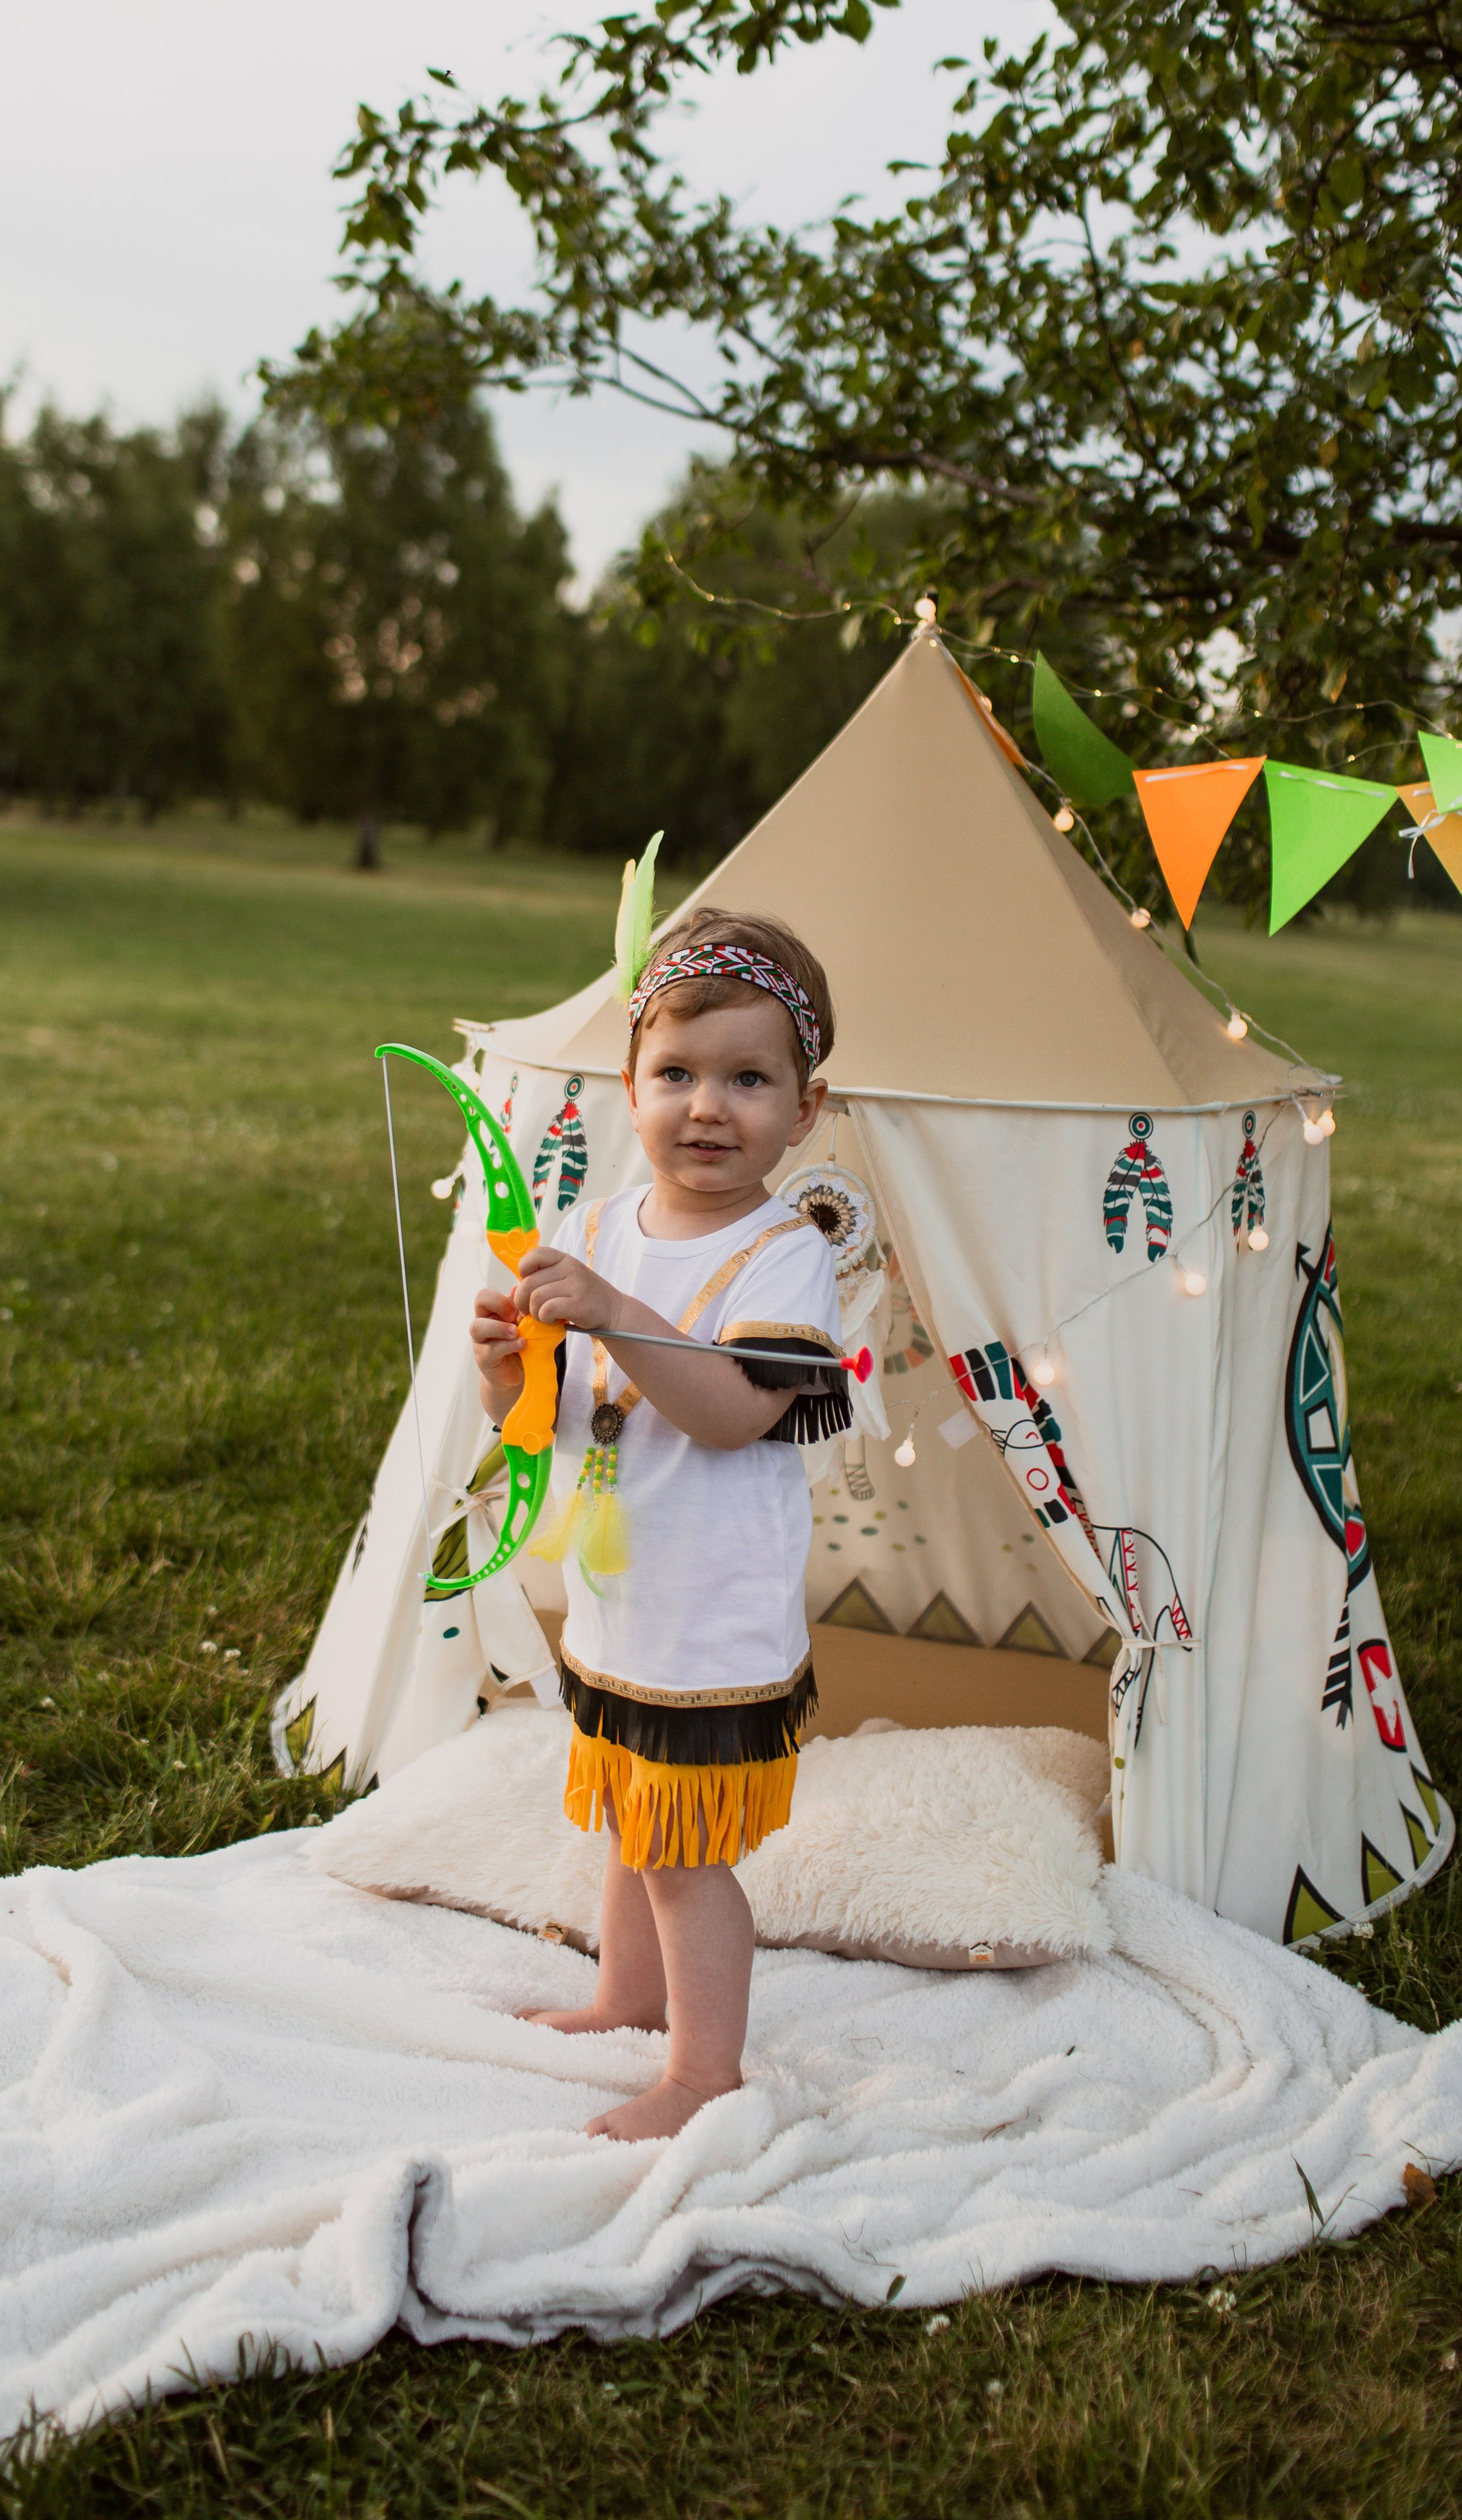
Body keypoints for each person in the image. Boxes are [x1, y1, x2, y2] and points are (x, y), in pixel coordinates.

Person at [469, 910, 850, 2141]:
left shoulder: (783, 1255)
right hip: (622, 1602)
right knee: (636, 1821)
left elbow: (736, 1413)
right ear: (629, 1088)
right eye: (675, 1075)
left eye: (748, 1080)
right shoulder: (593, 1230)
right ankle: (627, 1999)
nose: (706, 1107)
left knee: (687, 1852)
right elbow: (553, 1416)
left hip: (712, 1620)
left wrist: (618, 1311)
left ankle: (702, 2075)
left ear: (805, 1108)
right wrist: (504, 1370)